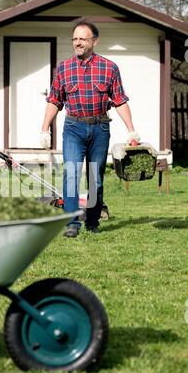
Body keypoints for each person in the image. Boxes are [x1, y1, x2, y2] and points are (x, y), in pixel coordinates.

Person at [40, 18, 140, 238]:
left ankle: (93, 222)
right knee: (72, 173)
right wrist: (44, 129)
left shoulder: (109, 67)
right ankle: (72, 223)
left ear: (94, 41)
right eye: (74, 39)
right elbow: (54, 100)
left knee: (95, 177)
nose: (77, 43)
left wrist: (132, 130)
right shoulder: (63, 68)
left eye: (82, 39)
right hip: (73, 127)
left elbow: (120, 100)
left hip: (100, 128)